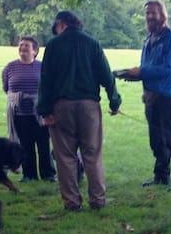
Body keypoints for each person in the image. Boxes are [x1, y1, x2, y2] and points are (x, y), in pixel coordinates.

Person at [37, 11, 121, 211]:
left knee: (65, 156)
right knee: (92, 153)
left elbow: (46, 80)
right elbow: (106, 75)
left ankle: (72, 202)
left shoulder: (53, 45)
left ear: (61, 24)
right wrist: (114, 101)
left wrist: (44, 109)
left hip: (61, 106)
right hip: (89, 106)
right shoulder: (92, 43)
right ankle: (98, 200)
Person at [123, 0, 171, 191]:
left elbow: (169, 69)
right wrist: (132, 75)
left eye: (153, 13)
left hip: (168, 98)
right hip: (151, 97)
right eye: (147, 13)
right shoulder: (148, 40)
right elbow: (147, 68)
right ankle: (161, 176)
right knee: (156, 140)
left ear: (162, 15)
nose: (150, 16)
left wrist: (142, 72)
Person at [2, 36, 56, 183]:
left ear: (35, 51)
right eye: (21, 45)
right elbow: (6, 88)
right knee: (26, 145)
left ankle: (48, 174)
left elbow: (49, 87)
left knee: (43, 144)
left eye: (27, 46)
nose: (23, 48)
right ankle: (29, 175)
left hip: (40, 113)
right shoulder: (10, 67)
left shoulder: (42, 66)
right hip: (20, 114)